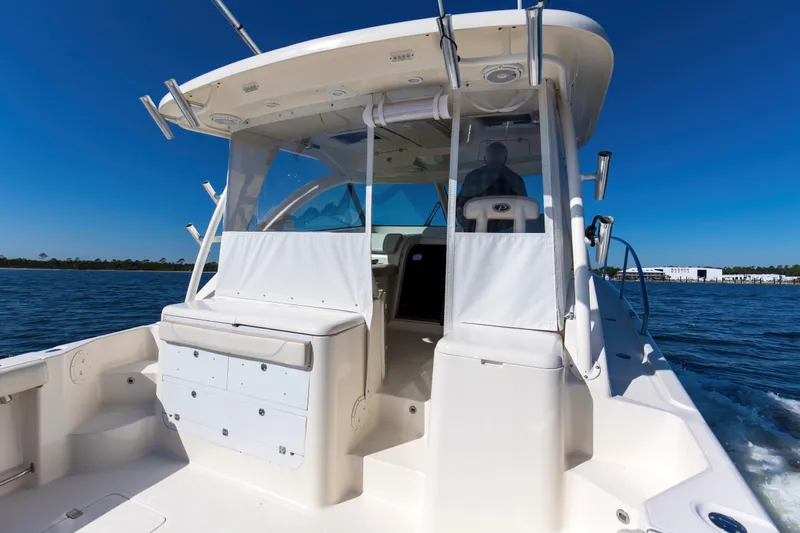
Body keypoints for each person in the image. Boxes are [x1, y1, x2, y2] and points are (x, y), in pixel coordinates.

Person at [455, 142, 527, 232]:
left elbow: (459, 209)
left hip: (474, 239)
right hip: (507, 237)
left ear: (485, 158)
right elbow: (524, 212)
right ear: (505, 159)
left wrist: (468, 227)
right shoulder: (517, 180)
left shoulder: (471, 177)